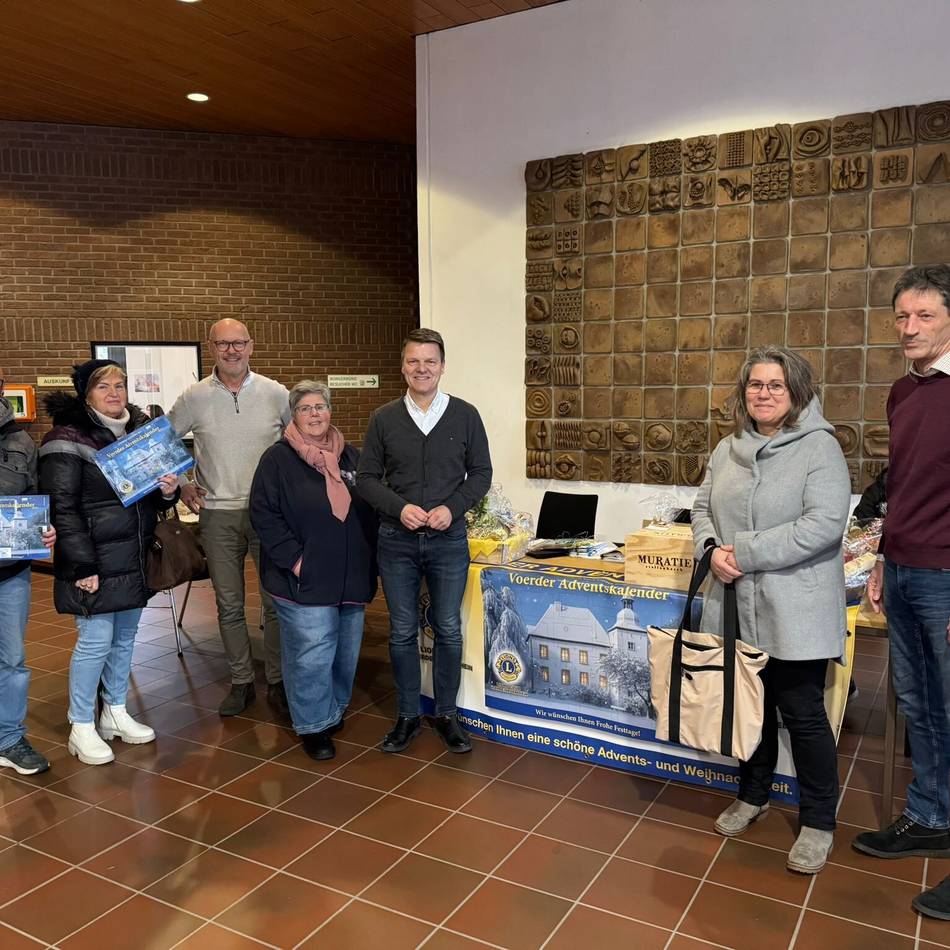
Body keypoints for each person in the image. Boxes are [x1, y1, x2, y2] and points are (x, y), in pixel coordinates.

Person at [691, 345, 851, 874]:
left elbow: (824, 524)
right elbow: (700, 509)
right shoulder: (726, 448)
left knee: (802, 714)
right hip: (735, 603)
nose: (763, 393)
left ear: (797, 391)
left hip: (794, 607)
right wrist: (712, 551)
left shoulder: (819, 448)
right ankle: (753, 795)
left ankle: (818, 822)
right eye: (755, 385)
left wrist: (747, 552)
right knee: (747, 708)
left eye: (775, 385)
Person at [852, 265, 950, 921]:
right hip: (906, 566)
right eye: (901, 317)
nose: (909, 328)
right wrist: (883, 556)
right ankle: (931, 815)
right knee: (920, 703)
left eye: (924, 316)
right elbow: (904, 490)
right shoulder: (902, 393)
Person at [357, 328, 492, 754]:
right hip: (396, 540)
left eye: (429, 361)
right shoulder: (384, 418)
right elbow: (365, 478)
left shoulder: (465, 415)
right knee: (401, 631)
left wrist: (452, 507)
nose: (422, 369)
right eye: (413, 361)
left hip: (448, 539)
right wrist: (399, 508)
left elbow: (482, 474)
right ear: (403, 367)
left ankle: (448, 715)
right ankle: (408, 714)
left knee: (448, 628)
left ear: (442, 366)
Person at [39, 360, 179, 766]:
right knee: (94, 643)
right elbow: (61, 509)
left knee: (124, 640)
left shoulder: (138, 435)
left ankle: (115, 710)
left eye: (120, 385)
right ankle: (81, 724)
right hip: (93, 560)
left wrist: (167, 492)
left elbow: (146, 498)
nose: (115, 393)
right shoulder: (65, 439)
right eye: (104, 387)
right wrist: (82, 566)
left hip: (133, 557)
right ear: (86, 393)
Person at [168, 319, 291, 718]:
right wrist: (185, 483)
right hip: (218, 515)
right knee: (230, 604)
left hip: (269, 515)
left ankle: (277, 680)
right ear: (212, 348)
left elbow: (300, 445)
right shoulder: (194, 397)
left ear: (251, 346)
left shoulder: (276, 394)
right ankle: (241, 681)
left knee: (275, 602)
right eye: (223, 344)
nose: (232, 351)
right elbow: (162, 443)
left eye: (239, 343)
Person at [249, 381, 377, 760]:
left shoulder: (351, 457)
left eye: (320, 406)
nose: (315, 414)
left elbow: (370, 509)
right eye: (305, 408)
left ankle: (332, 710)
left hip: (350, 575)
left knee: (345, 651)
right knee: (312, 653)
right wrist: (297, 560)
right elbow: (264, 515)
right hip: (302, 578)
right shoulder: (277, 459)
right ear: (294, 415)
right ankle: (313, 725)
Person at [0, 370, 56, 775]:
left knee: (13, 660)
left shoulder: (21, 442)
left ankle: (8, 737)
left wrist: (45, 529)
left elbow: (36, 500)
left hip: (9, 574)